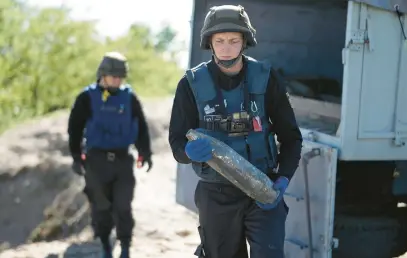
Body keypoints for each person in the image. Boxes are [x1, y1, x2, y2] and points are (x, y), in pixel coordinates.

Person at [168, 5, 303, 258]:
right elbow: (176, 141)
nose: (226, 47)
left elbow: (291, 137)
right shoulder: (190, 85)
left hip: (263, 188)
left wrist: (283, 178)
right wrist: (187, 152)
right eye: (219, 41)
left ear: (245, 42)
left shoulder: (266, 78)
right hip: (216, 192)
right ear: (210, 42)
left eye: (233, 40)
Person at [68, 51, 153, 258]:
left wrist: (145, 152)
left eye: (120, 77)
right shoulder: (86, 98)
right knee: (101, 206)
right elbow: (75, 129)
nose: (117, 80)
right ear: (102, 75)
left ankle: (124, 247)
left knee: (123, 205)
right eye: (113, 76)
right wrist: (77, 156)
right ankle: (106, 245)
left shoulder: (129, 97)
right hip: (96, 161)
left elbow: (141, 126)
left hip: (123, 159)